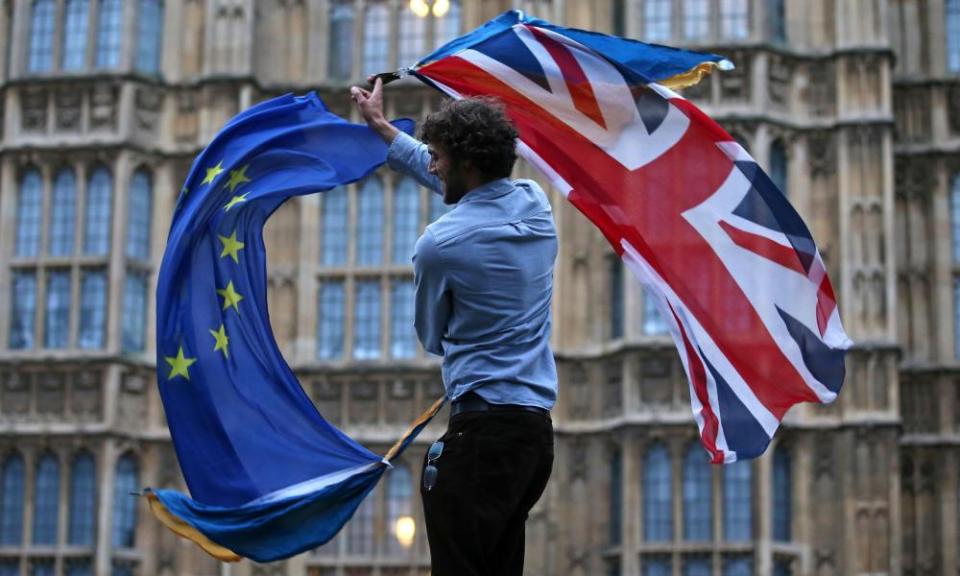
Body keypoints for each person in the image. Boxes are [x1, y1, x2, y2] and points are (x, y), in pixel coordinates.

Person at [351, 77, 558, 575]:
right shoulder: (537, 206)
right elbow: (469, 190)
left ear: (465, 164)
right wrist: (385, 131)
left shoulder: (439, 245)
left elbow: (430, 337)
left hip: (479, 434)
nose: (433, 164)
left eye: (438, 156)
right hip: (533, 437)